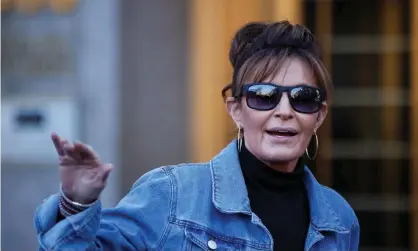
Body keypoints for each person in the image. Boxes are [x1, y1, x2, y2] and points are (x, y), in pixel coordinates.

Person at [35, 21, 360, 251]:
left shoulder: (339, 219)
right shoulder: (173, 195)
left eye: (302, 97)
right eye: (264, 95)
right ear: (235, 109)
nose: (285, 110)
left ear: (319, 115)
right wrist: (76, 204)